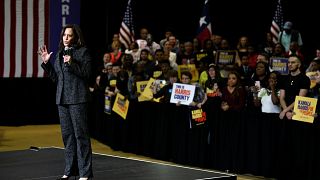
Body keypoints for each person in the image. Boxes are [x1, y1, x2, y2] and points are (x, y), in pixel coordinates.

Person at [37, 24, 93, 180]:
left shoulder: (83, 52)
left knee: (80, 136)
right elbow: (57, 79)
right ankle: (69, 171)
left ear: (75, 37)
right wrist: (47, 64)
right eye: (64, 35)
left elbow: (87, 74)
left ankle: (84, 173)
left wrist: (71, 63)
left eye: (69, 35)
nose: (66, 38)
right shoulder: (60, 53)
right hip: (62, 99)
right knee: (68, 136)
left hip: (78, 99)